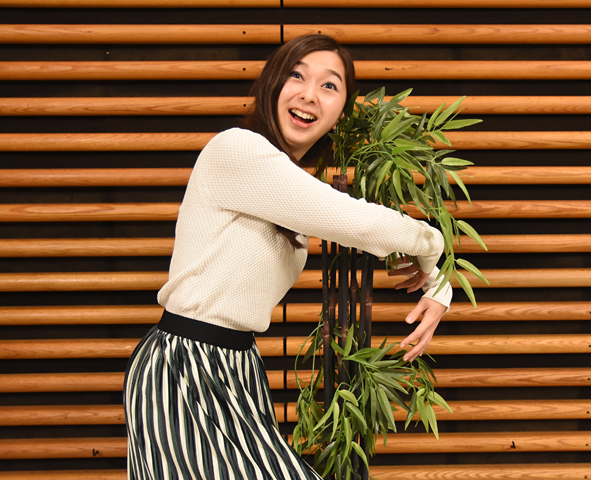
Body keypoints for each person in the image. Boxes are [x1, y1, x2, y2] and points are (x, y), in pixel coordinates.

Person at [123, 34, 452, 480]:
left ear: (341, 113)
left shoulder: (284, 183)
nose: (309, 94)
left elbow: (364, 231)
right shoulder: (237, 149)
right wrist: (435, 249)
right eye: (297, 75)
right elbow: (359, 223)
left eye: (329, 85)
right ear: (272, 85)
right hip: (187, 368)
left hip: (235, 365)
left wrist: (436, 280)